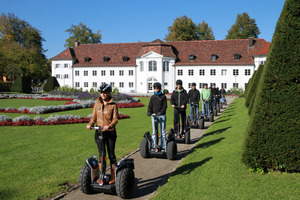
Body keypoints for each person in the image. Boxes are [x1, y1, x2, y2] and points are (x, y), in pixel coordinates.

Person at [86, 83, 118, 184]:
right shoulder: (97, 104)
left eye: (104, 92)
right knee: (101, 154)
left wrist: (109, 126)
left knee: (111, 154)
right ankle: (102, 175)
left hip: (110, 133)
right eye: (101, 92)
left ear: (108, 93)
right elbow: (93, 118)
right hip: (99, 132)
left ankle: (113, 176)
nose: (103, 94)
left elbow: (115, 119)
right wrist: (90, 124)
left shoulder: (113, 105)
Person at [147, 82, 167, 151]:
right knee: (154, 132)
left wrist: (161, 112)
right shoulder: (152, 97)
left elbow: (165, 106)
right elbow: (150, 106)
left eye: (157, 88)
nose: (156, 89)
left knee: (162, 132)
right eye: (155, 88)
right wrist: (149, 112)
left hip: (162, 116)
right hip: (154, 116)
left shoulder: (163, 97)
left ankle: (163, 146)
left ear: (160, 88)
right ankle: (154, 145)